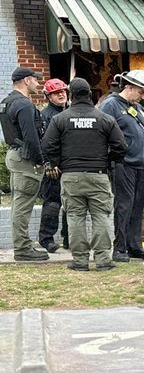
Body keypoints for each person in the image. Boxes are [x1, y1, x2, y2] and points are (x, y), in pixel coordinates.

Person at [42, 78, 127, 271]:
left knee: (75, 218)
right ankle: (103, 260)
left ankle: (80, 261)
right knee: (100, 217)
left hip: (71, 176)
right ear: (90, 94)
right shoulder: (104, 118)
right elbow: (121, 146)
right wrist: (109, 160)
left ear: (71, 95)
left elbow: (47, 145)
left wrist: (56, 162)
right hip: (98, 175)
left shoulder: (60, 119)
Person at [98, 70, 144, 262]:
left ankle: (134, 246)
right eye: (141, 92)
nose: (143, 96)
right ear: (129, 87)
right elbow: (101, 134)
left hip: (142, 164)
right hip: (123, 164)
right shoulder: (110, 105)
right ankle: (120, 249)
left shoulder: (138, 108)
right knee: (124, 206)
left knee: (137, 207)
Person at [2, 67, 49, 261]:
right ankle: (22, 249)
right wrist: (40, 161)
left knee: (18, 203)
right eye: (35, 80)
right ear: (27, 81)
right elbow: (31, 137)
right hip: (25, 159)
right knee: (23, 205)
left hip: (15, 154)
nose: (38, 83)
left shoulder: (7, 102)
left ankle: (22, 246)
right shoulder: (24, 105)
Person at [37, 78, 70, 253]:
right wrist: (49, 163)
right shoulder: (45, 116)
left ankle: (69, 237)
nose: (61, 94)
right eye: (56, 93)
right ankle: (46, 239)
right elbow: (43, 143)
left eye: (63, 91)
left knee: (71, 203)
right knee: (52, 203)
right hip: (53, 169)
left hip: (69, 166)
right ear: (48, 96)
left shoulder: (70, 112)